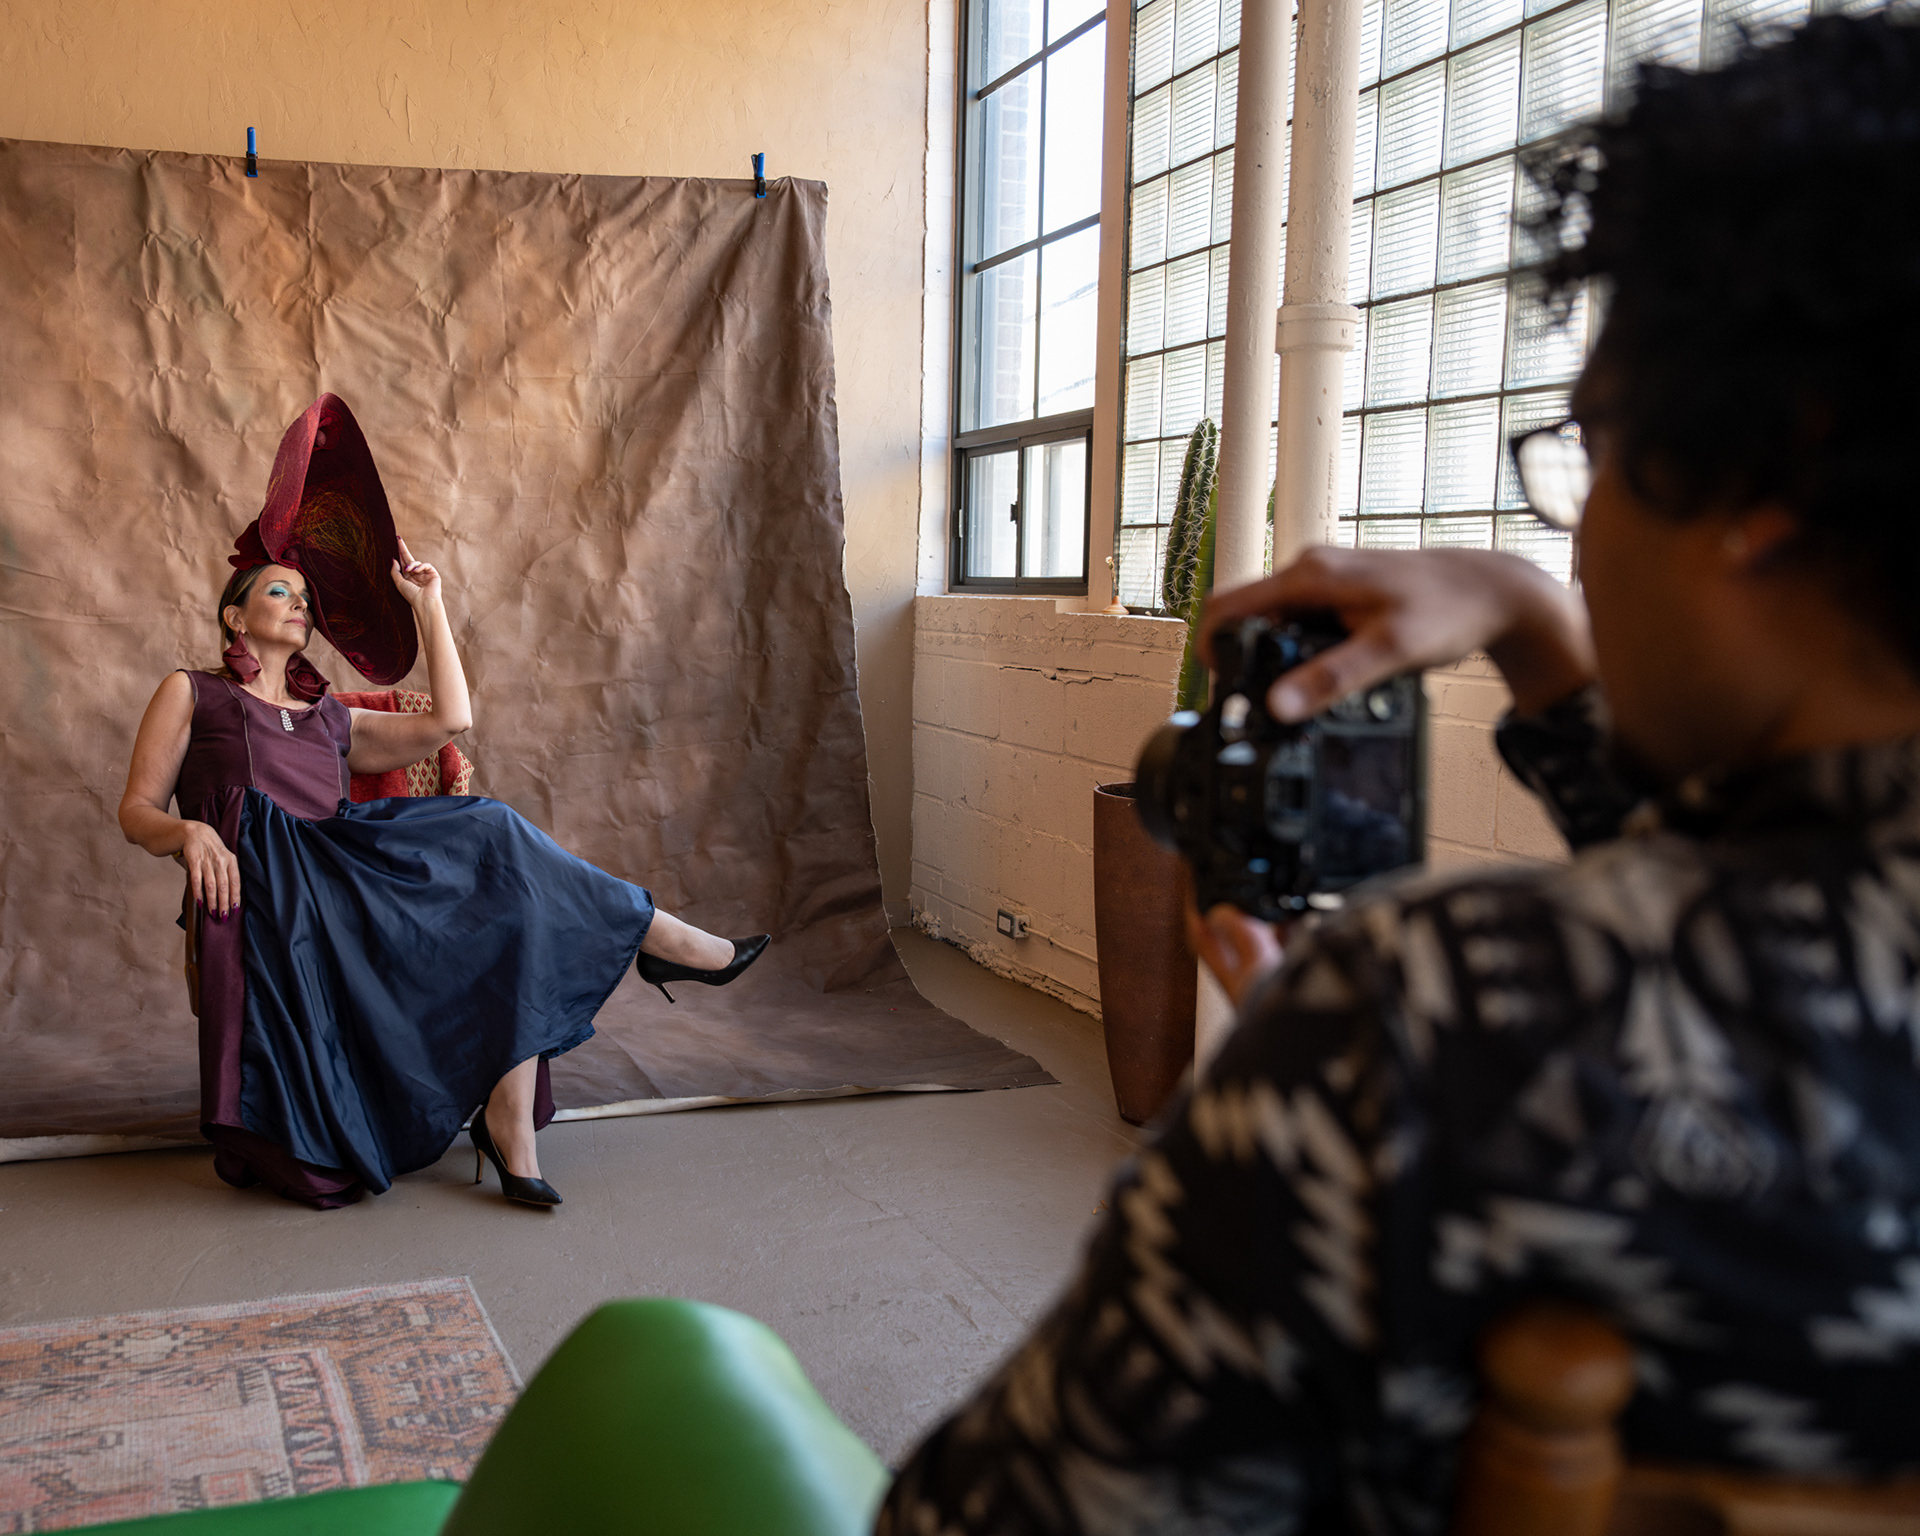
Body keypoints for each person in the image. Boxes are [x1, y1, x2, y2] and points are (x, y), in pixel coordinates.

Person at [878, 12, 1920, 1532]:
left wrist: (1300, 1113)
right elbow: (1777, 917)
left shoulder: (1436, 1029)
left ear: (1760, 482)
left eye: (1594, 449)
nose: (1582, 533)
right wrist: (1538, 633)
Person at [119, 395, 769, 1211]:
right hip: (274, 894)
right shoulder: (193, 691)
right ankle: (658, 940)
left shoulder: (330, 717)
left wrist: (428, 603)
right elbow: (135, 809)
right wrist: (189, 833)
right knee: (496, 845)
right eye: (280, 592)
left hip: (347, 872)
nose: (300, 604)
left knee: (507, 883)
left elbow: (451, 720)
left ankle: (514, 1120)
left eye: (305, 597)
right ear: (234, 616)